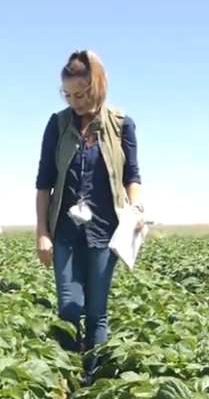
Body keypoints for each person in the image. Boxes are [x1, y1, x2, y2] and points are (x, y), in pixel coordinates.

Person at [34, 50, 146, 385]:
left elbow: (133, 175)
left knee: (97, 312)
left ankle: (92, 382)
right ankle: (65, 377)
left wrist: (136, 208)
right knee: (69, 308)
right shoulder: (58, 124)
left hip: (105, 230)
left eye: (81, 94)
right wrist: (42, 231)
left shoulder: (121, 123)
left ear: (97, 86)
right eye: (68, 95)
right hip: (65, 230)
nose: (75, 102)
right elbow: (44, 182)